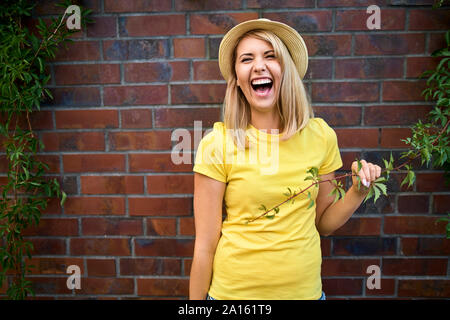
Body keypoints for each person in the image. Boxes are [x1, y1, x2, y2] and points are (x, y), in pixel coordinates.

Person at [189, 19, 381, 300]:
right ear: (238, 77)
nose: (259, 66)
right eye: (246, 59)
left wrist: (358, 191)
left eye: (271, 56)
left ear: (286, 70)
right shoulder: (217, 144)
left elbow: (323, 223)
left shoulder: (320, 136)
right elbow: (204, 246)